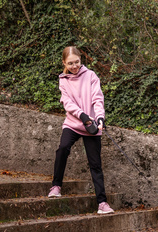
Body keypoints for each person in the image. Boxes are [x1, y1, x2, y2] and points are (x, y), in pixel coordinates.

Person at [48, 46, 114, 214]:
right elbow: (67, 103)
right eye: (70, 63)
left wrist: (99, 118)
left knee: (95, 164)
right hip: (73, 122)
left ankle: (102, 203)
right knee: (62, 148)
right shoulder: (63, 80)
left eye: (77, 62)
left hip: (91, 125)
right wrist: (82, 116)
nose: (74, 66)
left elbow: (98, 99)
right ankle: (56, 186)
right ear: (64, 63)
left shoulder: (91, 76)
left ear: (80, 60)